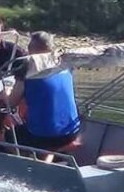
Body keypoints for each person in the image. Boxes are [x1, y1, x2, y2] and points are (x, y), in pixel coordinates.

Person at [6, 31, 80, 161]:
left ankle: (26, 166)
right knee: (45, 128)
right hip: (72, 131)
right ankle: (47, 160)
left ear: (31, 51)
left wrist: (5, 94)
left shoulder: (28, 69)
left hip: (44, 136)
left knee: (8, 134)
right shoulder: (65, 64)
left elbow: (11, 102)